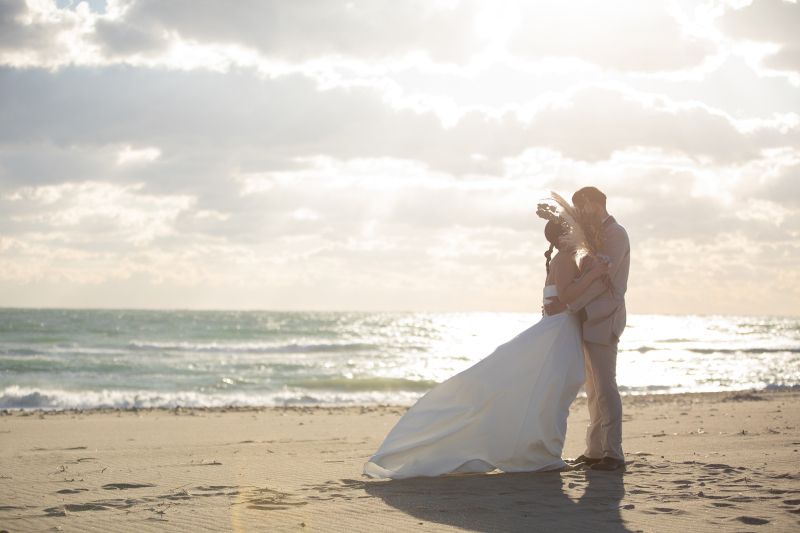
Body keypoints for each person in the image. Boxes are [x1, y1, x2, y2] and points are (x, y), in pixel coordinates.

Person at [363, 219, 609, 479]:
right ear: (561, 239)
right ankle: (545, 455)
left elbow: (561, 299)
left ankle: (543, 453)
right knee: (553, 395)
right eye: (571, 231)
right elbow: (567, 296)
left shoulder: (564, 260)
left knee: (552, 395)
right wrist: (594, 274)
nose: (577, 234)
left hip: (559, 331)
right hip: (557, 334)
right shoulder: (564, 259)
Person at [545, 186, 630, 472]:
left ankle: (614, 453)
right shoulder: (592, 234)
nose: (578, 214)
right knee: (593, 390)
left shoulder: (616, 234)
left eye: (580, 208)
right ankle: (594, 450)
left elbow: (605, 281)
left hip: (604, 318)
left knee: (605, 387)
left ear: (593, 205)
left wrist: (569, 305)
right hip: (586, 318)